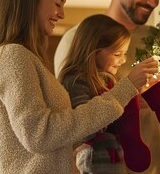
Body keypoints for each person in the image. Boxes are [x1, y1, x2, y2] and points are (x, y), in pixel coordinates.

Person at [0, 0, 158, 174]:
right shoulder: (13, 56)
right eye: (57, 3)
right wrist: (124, 89)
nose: (61, 14)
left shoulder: (25, 58)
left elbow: (60, 137)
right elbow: (40, 135)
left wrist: (126, 101)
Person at [54, 0, 160, 174]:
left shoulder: (157, 39)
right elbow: (71, 117)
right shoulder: (77, 40)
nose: (153, 2)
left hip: (150, 167)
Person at [59, 14, 141, 173]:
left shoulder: (106, 81)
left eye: (124, 54)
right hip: (95, 162)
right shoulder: (76, 81)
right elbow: (85, 128)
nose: (123, 60)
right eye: (117, 54)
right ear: (94, 50)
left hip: (112, 159)